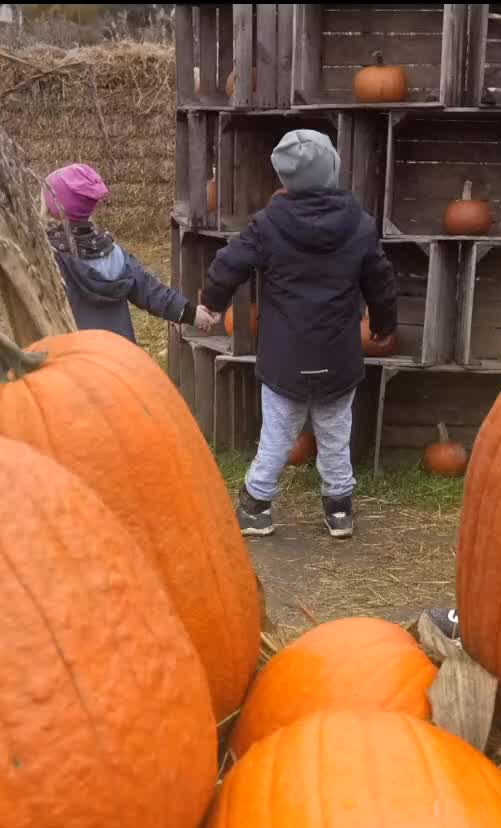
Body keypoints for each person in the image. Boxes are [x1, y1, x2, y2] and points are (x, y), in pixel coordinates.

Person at [199, 129, 396, 541]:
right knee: (335, 434)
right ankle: (339, 510)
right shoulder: (360, 225)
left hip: (285, 359)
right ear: (333, 170)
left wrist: (214, 303)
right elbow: (381, 282)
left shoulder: (267, 225)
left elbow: (227, 264)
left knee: (277, 435)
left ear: (285, 178)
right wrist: (382, 326)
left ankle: (256, 507)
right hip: (340, 356)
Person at [43, 164, 200, 344]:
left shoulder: (49, 258)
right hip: (120, 356)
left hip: (76, 359)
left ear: (53, 207)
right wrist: (192, 313)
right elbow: (150, 290)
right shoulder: (113, 253)